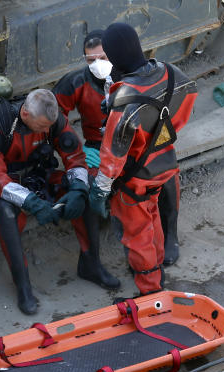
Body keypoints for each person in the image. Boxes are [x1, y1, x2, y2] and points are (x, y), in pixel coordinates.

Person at [0, 88, 119, 315]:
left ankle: (91, 264)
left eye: (48, 127)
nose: (46, 131)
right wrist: (31, 202)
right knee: (8, 212)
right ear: (25, 115)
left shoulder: (54, 120)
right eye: (42, 127)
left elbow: (75, 157)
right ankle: (23, 286)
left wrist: (79, 188)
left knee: (87, 189)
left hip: (39, 175)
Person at [54, 29, 183, 265]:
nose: (97, 64)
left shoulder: (133, 77)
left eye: (102, 57)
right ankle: (91, 260)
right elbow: (54, 117)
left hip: (141, 144)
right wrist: (78, 149)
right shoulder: (76, 82)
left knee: (168, 176)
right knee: (85, 187)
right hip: (98, 149)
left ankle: (170, 235)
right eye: (90, 59)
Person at [89, 22, 197, 296]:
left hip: (134, 180)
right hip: (164, 163)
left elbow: (113, 157)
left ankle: (151, 292)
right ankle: (157, 264)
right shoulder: (171, 73)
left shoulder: (125, 102)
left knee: (137, 234)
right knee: (153, 220)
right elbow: (189, 95)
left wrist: (100, 192)